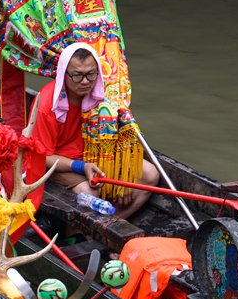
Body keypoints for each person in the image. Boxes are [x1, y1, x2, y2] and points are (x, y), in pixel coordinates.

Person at [30, 43, 158, 221]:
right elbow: (41, 157)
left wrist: (125, 182)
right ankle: (81, 234)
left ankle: (112, 226)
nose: (85, 82)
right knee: (90, 192)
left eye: (91, 74)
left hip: (100, 156)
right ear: (63, 74)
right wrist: (80, 166)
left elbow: (121, 136)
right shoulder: (46, 105)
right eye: (77, 75)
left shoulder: (104, 95)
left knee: (150, 174)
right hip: (64, 163)